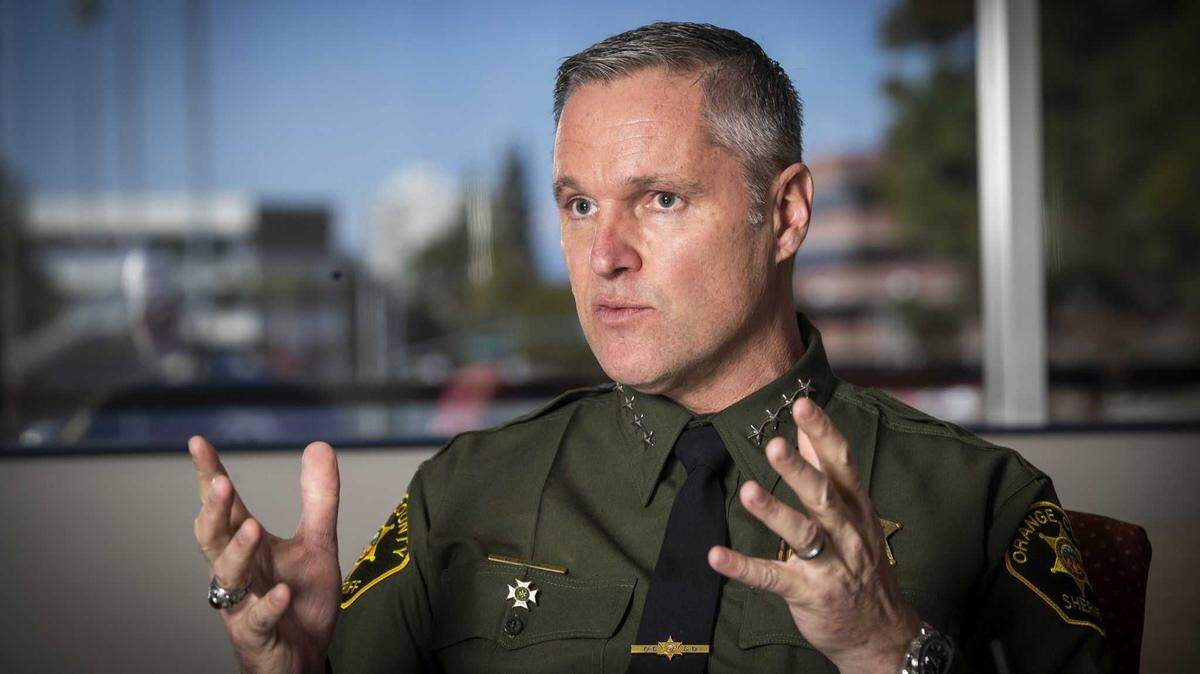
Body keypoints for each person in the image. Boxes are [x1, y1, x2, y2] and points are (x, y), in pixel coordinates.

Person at [189, 22, 1111, 673]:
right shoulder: (462, 494)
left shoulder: (985, 504)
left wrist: (883, 648)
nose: (603, 256)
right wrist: (291, 668)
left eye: (660, 199)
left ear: (783, 215)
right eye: (580, 204)